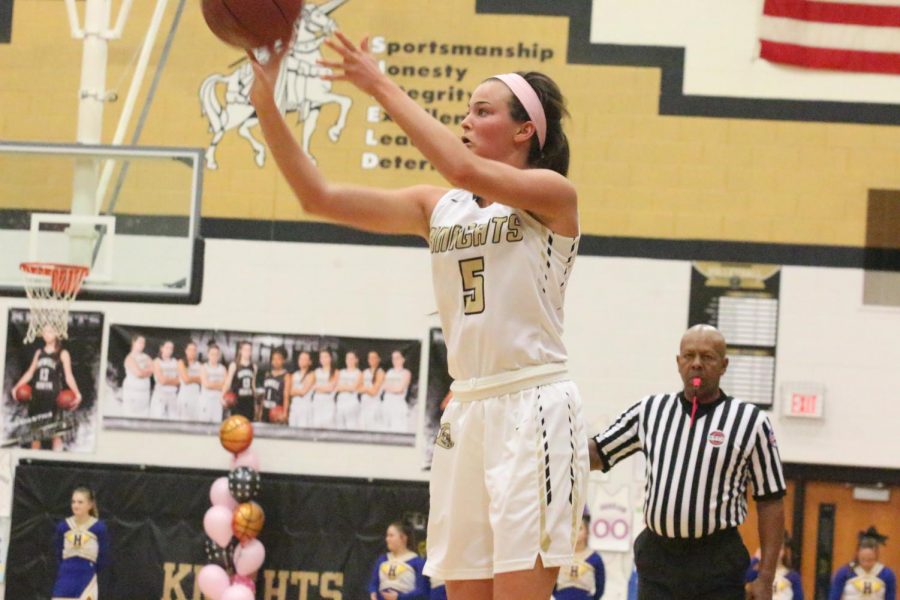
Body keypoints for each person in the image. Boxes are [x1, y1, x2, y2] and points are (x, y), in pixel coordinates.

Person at [250, 32, 587, 600]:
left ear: (525, 129)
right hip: (466, 410)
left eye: (482, 111)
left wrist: (376, 82)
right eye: (466, 110)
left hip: (533, 406)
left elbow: (460, 166)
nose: (467, 120)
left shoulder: (551, 195)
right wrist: (265, 99)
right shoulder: (439, 208)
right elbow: (318, 196)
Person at [590, 325, 786, 600]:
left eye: (707, 357)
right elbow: (598, 452)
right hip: (658, 559)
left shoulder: (751, 421)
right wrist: (546, 447)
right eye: (689, 356)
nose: (696, 364)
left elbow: (771, 501)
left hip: (718, 562)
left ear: (724, 365)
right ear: (678, 362)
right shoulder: (650, 410)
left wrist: (766, 577)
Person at [10, 324, 82, 450]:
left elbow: (68, 376)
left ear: (57, 334)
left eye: (50, 331)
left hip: (53, 399)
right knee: (36, 435)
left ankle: (56, 464)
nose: (46, 334)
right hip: (37, 398)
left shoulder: (63, 353)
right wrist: (17, 387)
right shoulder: (39, 353)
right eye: (44, 331)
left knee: (56, 434)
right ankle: (32, 464)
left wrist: (77, 393)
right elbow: (30, 373)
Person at [52, 486, 109, 600]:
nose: (75, 505)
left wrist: (91, 569)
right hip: (65, 577)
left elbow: (103, 556)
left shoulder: (99, 527)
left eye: (80, 502)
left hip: (87, 578)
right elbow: (58, 553)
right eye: (73, 502)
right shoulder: (63, 526)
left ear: (90, 505)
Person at [829, 527, 896, 600]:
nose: (866, 564)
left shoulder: (887, 574)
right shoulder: (845, 572)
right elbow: (834, 597)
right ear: (857, 554)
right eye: (863, 559)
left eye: (870, 560)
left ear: (876, 555)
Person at [368, 521, 429, 600]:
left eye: (391, 536)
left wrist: (399, 597)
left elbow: (422, 591)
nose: (387, 539)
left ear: (403, 538)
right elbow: (373, 584)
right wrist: (373, 594)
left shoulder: (417, 562)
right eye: (387, 536)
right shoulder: (382, 560)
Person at [553, 513, 605, 600]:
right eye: (572, 529)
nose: (575, 532)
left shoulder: (595, 558)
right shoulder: (561, 556)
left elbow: (600, 587)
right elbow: (551, 581)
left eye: (580, 528)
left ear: (587, 532)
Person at [747, 532, 803, 600]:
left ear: (783, 551)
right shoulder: (758, 573)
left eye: (780, 549)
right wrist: (756, 558)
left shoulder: (793, 577)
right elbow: (743, 578)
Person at [224, 341, 258, 421]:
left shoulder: (254, 367)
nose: (247, 352)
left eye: (249, 350)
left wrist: (256, 403)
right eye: (245, 349)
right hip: (237, 402)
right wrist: (222, 396)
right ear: (240, 351)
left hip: (249, 402)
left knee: (248, 427)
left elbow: (253, 386)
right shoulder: (234, 365)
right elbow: (228, 383)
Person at [122, 335, 152, 418]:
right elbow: (139, 373)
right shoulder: (129, 358)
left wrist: (143, 371)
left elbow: (152, 369)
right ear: (134, 343)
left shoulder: (147, 357)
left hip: (144, 395)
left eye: (143, 343)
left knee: (144, 418)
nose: (142, 345)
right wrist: (145, 371)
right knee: (131, 418)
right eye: (140, 342)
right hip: (132, 394)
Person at [381, 350, 412, 433]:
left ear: (403, 359)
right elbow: (383, 386)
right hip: (386, 404)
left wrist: (390, 387)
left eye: (397, 358)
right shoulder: (389, 372)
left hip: (398, 405)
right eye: (393, 358)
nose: (395, 360)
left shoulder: (406, 373)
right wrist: (394, 387)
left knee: (397, 430)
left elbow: (400, 389)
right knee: (384, 429)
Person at [150, 340, 179, 420]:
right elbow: (162, 380)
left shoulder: (175, 362)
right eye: (167, 348)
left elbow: (179, 381)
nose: (169, 350)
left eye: (171, 348)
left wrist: (167, 380)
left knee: (174, 420)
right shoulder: (156, 361)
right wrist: (173, 380)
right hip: (160, 395)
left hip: (172, 395)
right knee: (158, 420)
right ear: (162, 348)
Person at [260, 347, 290, 423]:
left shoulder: (286, 376)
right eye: (273, 359)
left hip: (277, 411)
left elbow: (286, 396)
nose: (276, 361)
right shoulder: (267, 374)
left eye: (278, 359)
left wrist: (285, 413)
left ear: (283, 360)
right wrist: (260, 410)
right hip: (265, 409)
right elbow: (264, 394)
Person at [335, 350, 363, 429]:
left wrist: (343, 386)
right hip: (340, 402)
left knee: (352, 426)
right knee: (340, 426)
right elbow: (336, 387)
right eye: (347, 358)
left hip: (352, 402)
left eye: (351, 358)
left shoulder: (359, 373)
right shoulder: (341, 372)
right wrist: (348, 386)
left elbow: (354, 388)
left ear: (356, 360)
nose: (349, 361)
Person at [200, 344, 227, 423]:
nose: (214, 356)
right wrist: (220, 384)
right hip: (206, 401)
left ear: (219, 356)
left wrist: (213, 384)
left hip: (218, 402)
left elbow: (226, 385)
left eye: (216, 354)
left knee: (217, 426)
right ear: (208, 354)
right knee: (204, 426)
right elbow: (206, 385)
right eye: (212, 354)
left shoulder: (223, 368)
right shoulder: (204, 367)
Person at [311, 349, 338, 429]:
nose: (323, 359)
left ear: (331, 358)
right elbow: (312, 387)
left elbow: (330, 388)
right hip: (317, 402)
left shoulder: (335, 372)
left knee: (329, 427)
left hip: (328, 402)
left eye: (326, 357)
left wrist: (318, 387)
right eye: (321, 357)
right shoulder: (316, 371)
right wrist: (323, 387)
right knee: (316, 426)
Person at [359, 350, 385, 431]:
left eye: (374, 358)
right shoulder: (365, 372)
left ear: (379, 359)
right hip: (364, 405)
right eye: (370, 358)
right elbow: (357, 388)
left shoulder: (381, 372)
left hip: (375, 405)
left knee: (373, 428)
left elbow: (374, 392)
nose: (372, 360)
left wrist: (365, 389)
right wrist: (367, 389)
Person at [176, 341, 202, 421]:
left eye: (194, 350)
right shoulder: (181, 362)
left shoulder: (200, 365)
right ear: (186, 351)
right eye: (190, 350)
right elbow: (186, 380)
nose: (192, 352)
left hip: (196, 396)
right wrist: (197, 378)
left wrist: (192, 378)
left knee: (195, 420)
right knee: (184, 421)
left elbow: (202, 380)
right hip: (185, 396)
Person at [288, 350, 315, 428]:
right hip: (294, 407)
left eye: (304, 359)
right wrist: (295, 391)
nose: (301, 361)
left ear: (310, 362)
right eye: (300, 358)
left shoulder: (312, 374)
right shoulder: (294, 374)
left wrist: (294, 391)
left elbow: (303, 392)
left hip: (305, 408)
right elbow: (289, 392)